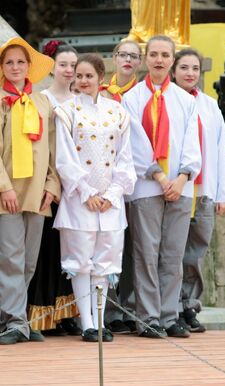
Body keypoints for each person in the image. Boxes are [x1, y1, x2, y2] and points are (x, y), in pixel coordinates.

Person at [0, 37, 60, 345]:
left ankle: (18, 316)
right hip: (6, 193)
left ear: (29, 67)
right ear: (1, 68)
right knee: (10, 257)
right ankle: (13, 320)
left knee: (28, 260)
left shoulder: (42, 102)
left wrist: (51, 185)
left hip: (37, 193)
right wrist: (3, 186)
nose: (15, 67)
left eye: (20, 62)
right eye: (9, 62)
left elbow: (52, 148)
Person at [122, 35, 201, 338]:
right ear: (145, 59)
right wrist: (159, 176)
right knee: (146, 252)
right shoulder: (133, 99)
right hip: (147, 186)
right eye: (153, 54)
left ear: (171, 59)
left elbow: (192, 143)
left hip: (180, 187)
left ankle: (169, 315)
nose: (159, 59)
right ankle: (148, 317)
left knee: (172, 254)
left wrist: (181, 178)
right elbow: (136, 143)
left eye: (164, 55)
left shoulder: (185, 100)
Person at [54, 53, 137, 343]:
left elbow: (126, 157)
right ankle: (86, 322)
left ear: (100, 78)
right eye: (79, 75)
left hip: (110, 202)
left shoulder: (118, 111)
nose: (83, 81)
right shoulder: (66, 111)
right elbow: (64, 158)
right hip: (80, 199)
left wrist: (114, 192)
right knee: (80, 261)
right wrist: (86, 192)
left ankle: (100, 321)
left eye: (89, 75)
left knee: (105, 262)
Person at [171, 48, 225, 332]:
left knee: (195, 252)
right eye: (184, 68)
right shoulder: (167, 102)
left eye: (195, 68)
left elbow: (220, 150)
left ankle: (189, 306)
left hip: (203, 191)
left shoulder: (209, 106)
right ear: (174, 70)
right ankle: (169, 307)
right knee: (172, 251)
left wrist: (222, 194)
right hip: (176, 190)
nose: (190, 73)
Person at [27, 40, 81, 337]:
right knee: (47, 249)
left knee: (71, 250)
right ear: (51, 67)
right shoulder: (41, 99)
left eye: (73, 65)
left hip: (77, 188)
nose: (69, 71)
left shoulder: (81, 100)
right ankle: (42, 311)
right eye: (63, 64)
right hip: (51, 183)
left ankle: (68, 313)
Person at [100, 39, 142, 335]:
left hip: (137, 182)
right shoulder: (102, 93)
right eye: (123, 54)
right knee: (108, 246)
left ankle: (131, 305)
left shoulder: (142, 95)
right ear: (114, 58)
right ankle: (111, 309)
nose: (128, 59)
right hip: (103, 182)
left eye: (134, 56)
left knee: (135, 248)